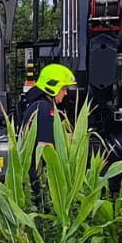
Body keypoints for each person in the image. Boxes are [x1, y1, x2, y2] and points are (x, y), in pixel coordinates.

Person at [13, 63, 76, 203]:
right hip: (39, 183)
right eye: (63, 88)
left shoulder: (36, 105)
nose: (65, 93)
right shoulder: (46, 110)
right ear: (52, 87)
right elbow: (46, 147)